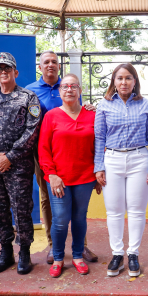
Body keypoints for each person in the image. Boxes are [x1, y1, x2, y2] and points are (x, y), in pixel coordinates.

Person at [26, 50, 98, 265]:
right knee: (49, 200)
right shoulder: (31, 91)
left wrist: (90, 108)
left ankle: (81, 248)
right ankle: (53, 246)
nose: (50, 65)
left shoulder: (68, 86)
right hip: (44, 153)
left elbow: (82, 112)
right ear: (40, 66)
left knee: (78, 210)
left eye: (54, 62)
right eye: (46, 62)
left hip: (75, 156)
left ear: (59, 66)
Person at [94, 63, 148, 277]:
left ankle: (133, 254)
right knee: (113, 211)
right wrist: (99, 167)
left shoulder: (147, 105)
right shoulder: (103, 105)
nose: (124, 82)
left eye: (128, 78)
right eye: (120, 78)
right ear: (114, 81)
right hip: (111, 159)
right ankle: (117, 254)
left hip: (139, 159)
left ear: (134, 82)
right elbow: (99, 138)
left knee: (137, 210)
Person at [0, 52, 41, 275]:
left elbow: (32, 131)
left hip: (19, 166)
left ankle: (24, 251)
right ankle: (5, 251)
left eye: (8, 69)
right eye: (0, 69)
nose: (3, 72)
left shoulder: (28, 98)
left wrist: (10, 157)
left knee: (21, 208)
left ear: (15, 72)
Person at [38, 73, 101, 278]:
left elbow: (100, 147)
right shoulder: (51, 116)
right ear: (59, 91)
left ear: (80, 91)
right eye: (65, 87)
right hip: (59, 179)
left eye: (74, 86)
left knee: (80, 218)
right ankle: (58, 258)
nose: (69, 90)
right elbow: (44, 149)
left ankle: (77, 256)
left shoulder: (92, 115)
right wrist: (52, 174)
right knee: (60, 220)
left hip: (85, 177)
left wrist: (98, 174)